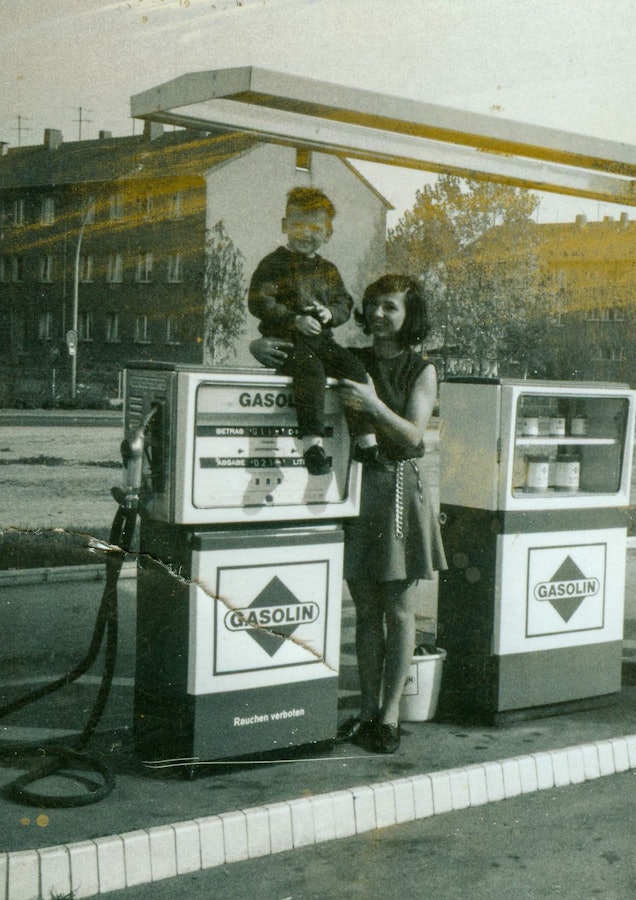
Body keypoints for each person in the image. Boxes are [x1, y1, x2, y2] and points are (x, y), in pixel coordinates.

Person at [251, 274, 446, 754]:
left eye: (391, 308)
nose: (379, 314)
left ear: (410, 317)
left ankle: (391, 715)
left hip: (399, 489)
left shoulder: (421, 369)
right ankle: (365, 711)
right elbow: (301, 368)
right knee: (364, 611)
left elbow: (414, 437)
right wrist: (260, 345)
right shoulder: (352, 359)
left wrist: (375, 405)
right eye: (374, 305)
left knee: (399, 610)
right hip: (356, 489)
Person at [247, 187, 373, 476]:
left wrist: (331, 314)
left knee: (354, 369)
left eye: (315, 228)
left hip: (322, 340)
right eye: (298, 225)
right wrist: (293, 320)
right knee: (311, 372)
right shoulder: (274, 264)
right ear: (284, 226)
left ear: (328, 234)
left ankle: (365, 438)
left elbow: (344, 302)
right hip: (289, 342)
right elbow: (260, 300)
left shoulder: (328, 270)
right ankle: (312, 444)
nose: (306, 233)